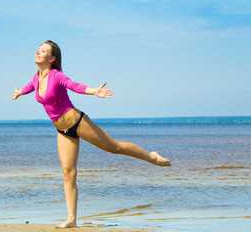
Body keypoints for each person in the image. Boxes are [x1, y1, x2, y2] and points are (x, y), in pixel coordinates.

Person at [12, 40, 171, 228]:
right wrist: (20, 92)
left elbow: (74, 86)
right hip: (62, 131)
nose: (38, 52)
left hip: (77, 122)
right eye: (38, 49)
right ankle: (72, 219)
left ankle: (151, 156)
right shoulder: (36, 77)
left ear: (52, 58)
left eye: (43, 50)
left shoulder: (57, 75)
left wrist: (95, 91)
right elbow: (31, 87)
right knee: (68, 173)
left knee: (114, 147)